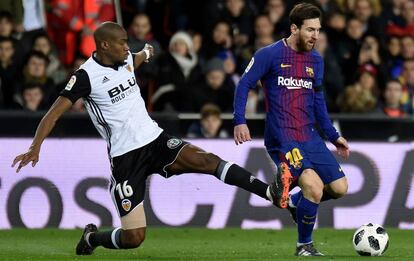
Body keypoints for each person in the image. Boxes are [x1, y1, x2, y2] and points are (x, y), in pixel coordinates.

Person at [11, 21, 287, 256]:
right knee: (134, 239)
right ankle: (92, 239)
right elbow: (52, 115)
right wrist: (35, 148)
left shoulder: (127, 58)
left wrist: (146, 51)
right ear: (104, 46)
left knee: (209, 161)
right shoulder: (85, 76)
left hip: (155, 140)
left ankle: (269, 193)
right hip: (126, 158)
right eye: (122, 43)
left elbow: (139, 56)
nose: (126, 48)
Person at [233, 3, 350, 256]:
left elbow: (319, 102)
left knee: (340, 188)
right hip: (282, 136)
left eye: (318, 30)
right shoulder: (269, 55)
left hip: (310, 136)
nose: (315, 36)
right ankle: (304, 245)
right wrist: (239, 120)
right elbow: (244, 85)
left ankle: (295, 202)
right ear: (294, 28)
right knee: (314, 186)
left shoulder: (316, 60)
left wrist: (333, 135)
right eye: (310, 30)